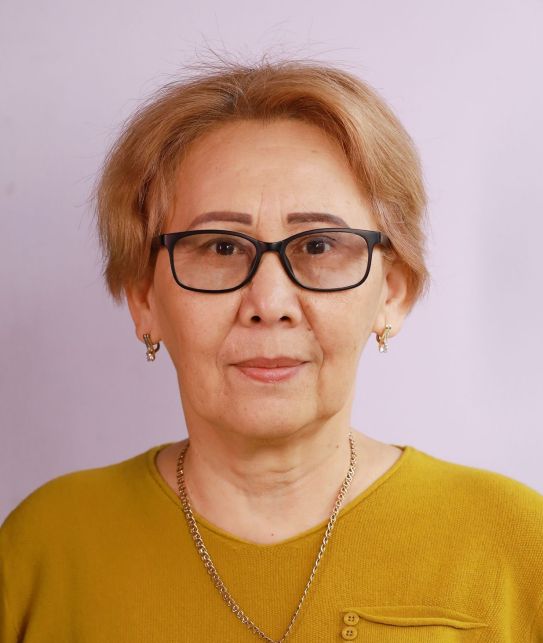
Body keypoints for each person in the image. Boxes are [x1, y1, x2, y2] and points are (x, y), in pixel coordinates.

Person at [1, 55, 542, 643]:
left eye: (318, 245)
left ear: (392, 292)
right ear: (143, 299)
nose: (270, 302)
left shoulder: (516, 543)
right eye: (220, 247)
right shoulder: (44, 546)